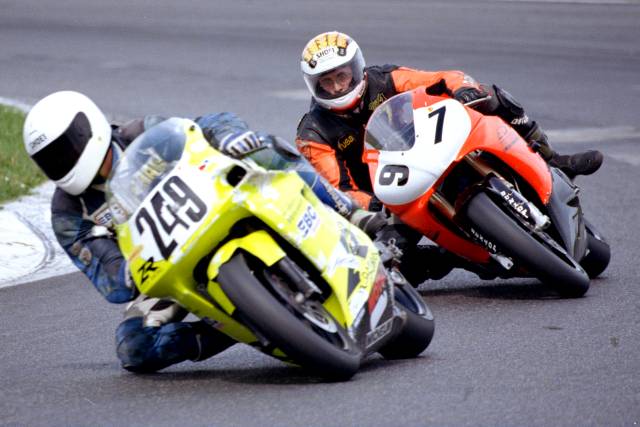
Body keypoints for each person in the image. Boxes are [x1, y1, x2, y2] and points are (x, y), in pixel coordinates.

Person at [22, 90, 387, 373]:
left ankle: (348, 211)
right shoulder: (68, 214)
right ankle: (240, 326)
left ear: (90, 127)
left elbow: (202, 129)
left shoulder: (140, 133)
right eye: (52, 159)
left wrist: (229, 139)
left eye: (67, 147)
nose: (64, 160)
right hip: (166, 268)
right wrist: (124, 267)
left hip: (216, 205)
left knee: (263, 149)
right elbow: (111, 281)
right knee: (133, 347)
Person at [295, 31, 604, 281]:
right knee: (386, 262)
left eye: (342, 76)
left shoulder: (385, 79)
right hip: (392, 198)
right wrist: (372, 205)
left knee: (493, 97)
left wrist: (464, 89)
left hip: (429, 148)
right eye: (327, 82)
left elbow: (441, 79)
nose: (337, 87)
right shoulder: (313, 132)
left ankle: (551, 159)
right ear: (314, 87)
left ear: (356, 69)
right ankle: (455, 258)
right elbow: (338, 190)